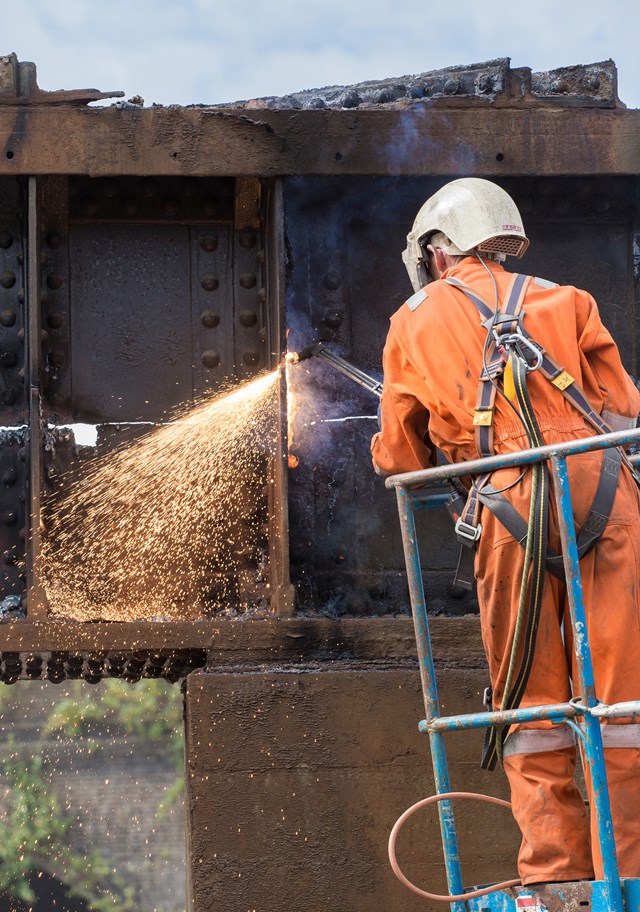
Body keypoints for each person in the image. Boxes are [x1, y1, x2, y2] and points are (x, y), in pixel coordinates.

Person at [371, 177, 640, 885]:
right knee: (620, 704)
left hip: (513, 507)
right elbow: (621, 409)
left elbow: (402, 456)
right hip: (610, 499)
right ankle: (631, 874)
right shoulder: (569, 299)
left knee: (532, 703)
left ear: (437, 252)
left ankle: (554, 876)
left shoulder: (415, 319)